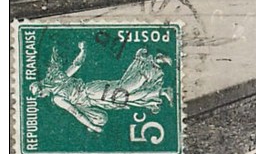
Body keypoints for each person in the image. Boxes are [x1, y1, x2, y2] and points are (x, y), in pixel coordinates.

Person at [30, 42, 173, 133]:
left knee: (124, 90)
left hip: (91, 92)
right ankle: (161, 91)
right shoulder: (59, 81)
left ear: (42, 88)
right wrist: (82, 50)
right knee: (126, 97)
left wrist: (93, 127)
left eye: (40, 93)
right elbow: (76, 65)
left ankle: (153, 61)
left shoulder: (57, 98)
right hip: (94, 96)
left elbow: (76, 113)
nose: (42, 96)